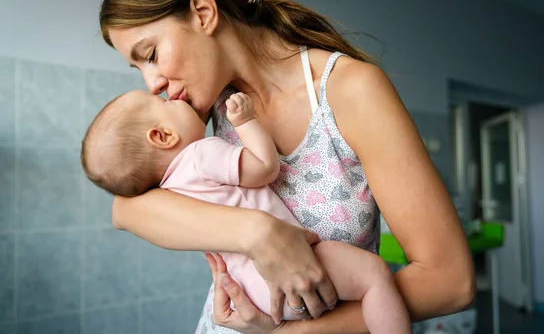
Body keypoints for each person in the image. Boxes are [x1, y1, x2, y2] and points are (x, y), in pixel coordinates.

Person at [99, 0, 476, 333]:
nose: (152, 84)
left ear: (203, 13)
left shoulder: (349, 90)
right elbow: (125, 209)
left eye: (150, 55)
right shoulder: (207, 107)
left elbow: (450, 282)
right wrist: (258, 234)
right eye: (139, 68)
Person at [80, 89, 411, 333]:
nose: (167, 94)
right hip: (279, 276)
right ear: (163, 136)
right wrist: (246, 121)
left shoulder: (169, 192)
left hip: (250, 294)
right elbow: (265, 168)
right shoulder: (200, 155)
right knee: (375, 276)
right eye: (165, 104)